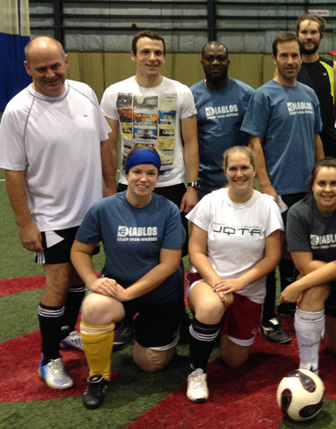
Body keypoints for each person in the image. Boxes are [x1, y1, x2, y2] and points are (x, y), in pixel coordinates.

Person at [0, 36, 114, 390]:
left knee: (80, 278)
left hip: (90, 211)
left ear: (66, 60)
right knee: (59, 282)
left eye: (55, 66)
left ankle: (65, 332)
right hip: (51, 216)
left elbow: (102, 142)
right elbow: (14, 173)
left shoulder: (84, 93)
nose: (50, 74)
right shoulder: (18, 111)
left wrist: (110, 189)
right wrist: (25, 224)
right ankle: (49, 358)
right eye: (41, 69)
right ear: (26, 69)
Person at [101, 29, 199, 351]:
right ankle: (125, 315)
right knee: (124, 249)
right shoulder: (114, 93)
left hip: (170, 185)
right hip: (128, 185)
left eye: (158, 52)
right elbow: (110, 144)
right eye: (145, 52)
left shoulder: (181, 92)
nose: (152, 58)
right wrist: (108, 186)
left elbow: (191, 141)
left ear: (164, 56)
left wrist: (192, 186)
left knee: (174, 256)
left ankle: (176, 313)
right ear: (133, 56)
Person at [71, 148, 186, 409]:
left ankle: (162, 327)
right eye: (137, 171)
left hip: (161, 294)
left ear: (158, 177)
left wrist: (129, 294)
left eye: (151, 173)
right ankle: (98, 375)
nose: (143, 178)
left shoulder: (168, 210)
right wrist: (92, 281)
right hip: (118, 286)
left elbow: (169, 265)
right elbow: (79, 250)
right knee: (93, 306)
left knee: (150, 365)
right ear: (126, 173)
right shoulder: (104, 208)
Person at [241, 32, 324, 344]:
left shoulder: (309, 94)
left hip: (306, 189)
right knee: (272, 254)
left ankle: (290, 304)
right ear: (274, 58)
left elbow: (316, 136)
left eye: (295, 55)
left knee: (299, 250)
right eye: (285, 56)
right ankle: (267, 317)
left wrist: (319, 178)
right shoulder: (263, 96)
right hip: (275, 189)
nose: (291, 61)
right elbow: (254, 142)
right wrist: (265, 184)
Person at [184, 146, 283, 403]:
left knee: (234, 361)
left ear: (254, 170)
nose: (239, 174)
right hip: (209, 282)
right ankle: (197, 371)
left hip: (248, 289)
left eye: (244, 168)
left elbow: (272, 257)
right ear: (225, 170)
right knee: (209, 308)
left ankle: (206, 331)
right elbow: (195, 250)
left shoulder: (267, 206)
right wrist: (218, 284)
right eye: (233, 169)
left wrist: (238, 283)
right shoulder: (211, 201)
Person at [280, 158, 336, 372]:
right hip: (331, 277)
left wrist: (295, 286)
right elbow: (304, 266)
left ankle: (318, 321)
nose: (327, 190)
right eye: (321, 183)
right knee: (312, 288)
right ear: (312, 186)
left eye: (334, 184)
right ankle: (308, 365)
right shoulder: (298, 212)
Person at [191, 41, 254, 200]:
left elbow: (256, 140)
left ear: (228, 62)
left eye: (220, 58)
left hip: (239, 181)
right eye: (210, 59)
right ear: (202, 63)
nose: (215, 63)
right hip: (204, 184)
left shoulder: (247, 94)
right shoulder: (191, 96)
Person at [296, 13, 336, 160]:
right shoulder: (289, 68)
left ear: (321, 36)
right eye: (304, 32)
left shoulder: (333, 68)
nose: (308, 37)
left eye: (313, 32)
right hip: (297, 146)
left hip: (327, 145)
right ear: (297, 35)